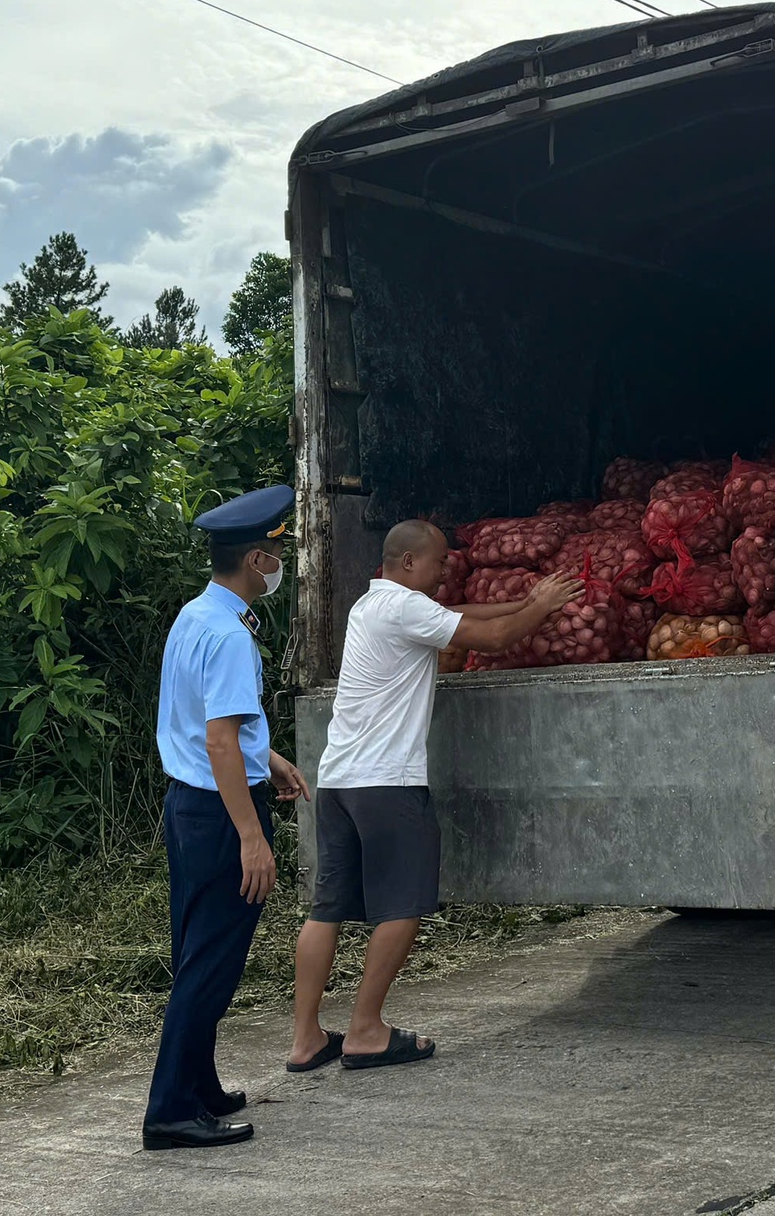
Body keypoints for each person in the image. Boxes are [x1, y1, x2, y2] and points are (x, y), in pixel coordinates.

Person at [288, 519, 582, 1074]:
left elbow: (466, 618)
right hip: (387, 784)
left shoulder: (371, 606)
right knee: (403, 905)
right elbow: (492, 638)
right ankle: (366, 1030)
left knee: (326, 909)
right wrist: (540, 608)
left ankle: (306, 1039)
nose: (447, 571)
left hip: (339, 782)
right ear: (406, 564)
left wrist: (524, 600)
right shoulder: (404, 608)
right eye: (440, 562)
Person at [143, 483, 311, 1151]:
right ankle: (170, 1110)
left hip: (188, 806)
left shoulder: (198, 616)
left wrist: (264, 755)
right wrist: (252, 837)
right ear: (252, 560)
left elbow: (207, 721)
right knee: (211, 964)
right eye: (276, 554)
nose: (280, 566)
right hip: (218, 815)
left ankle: (199, 1085)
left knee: (195, 952)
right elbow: (216, 739)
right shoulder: (232, 636)